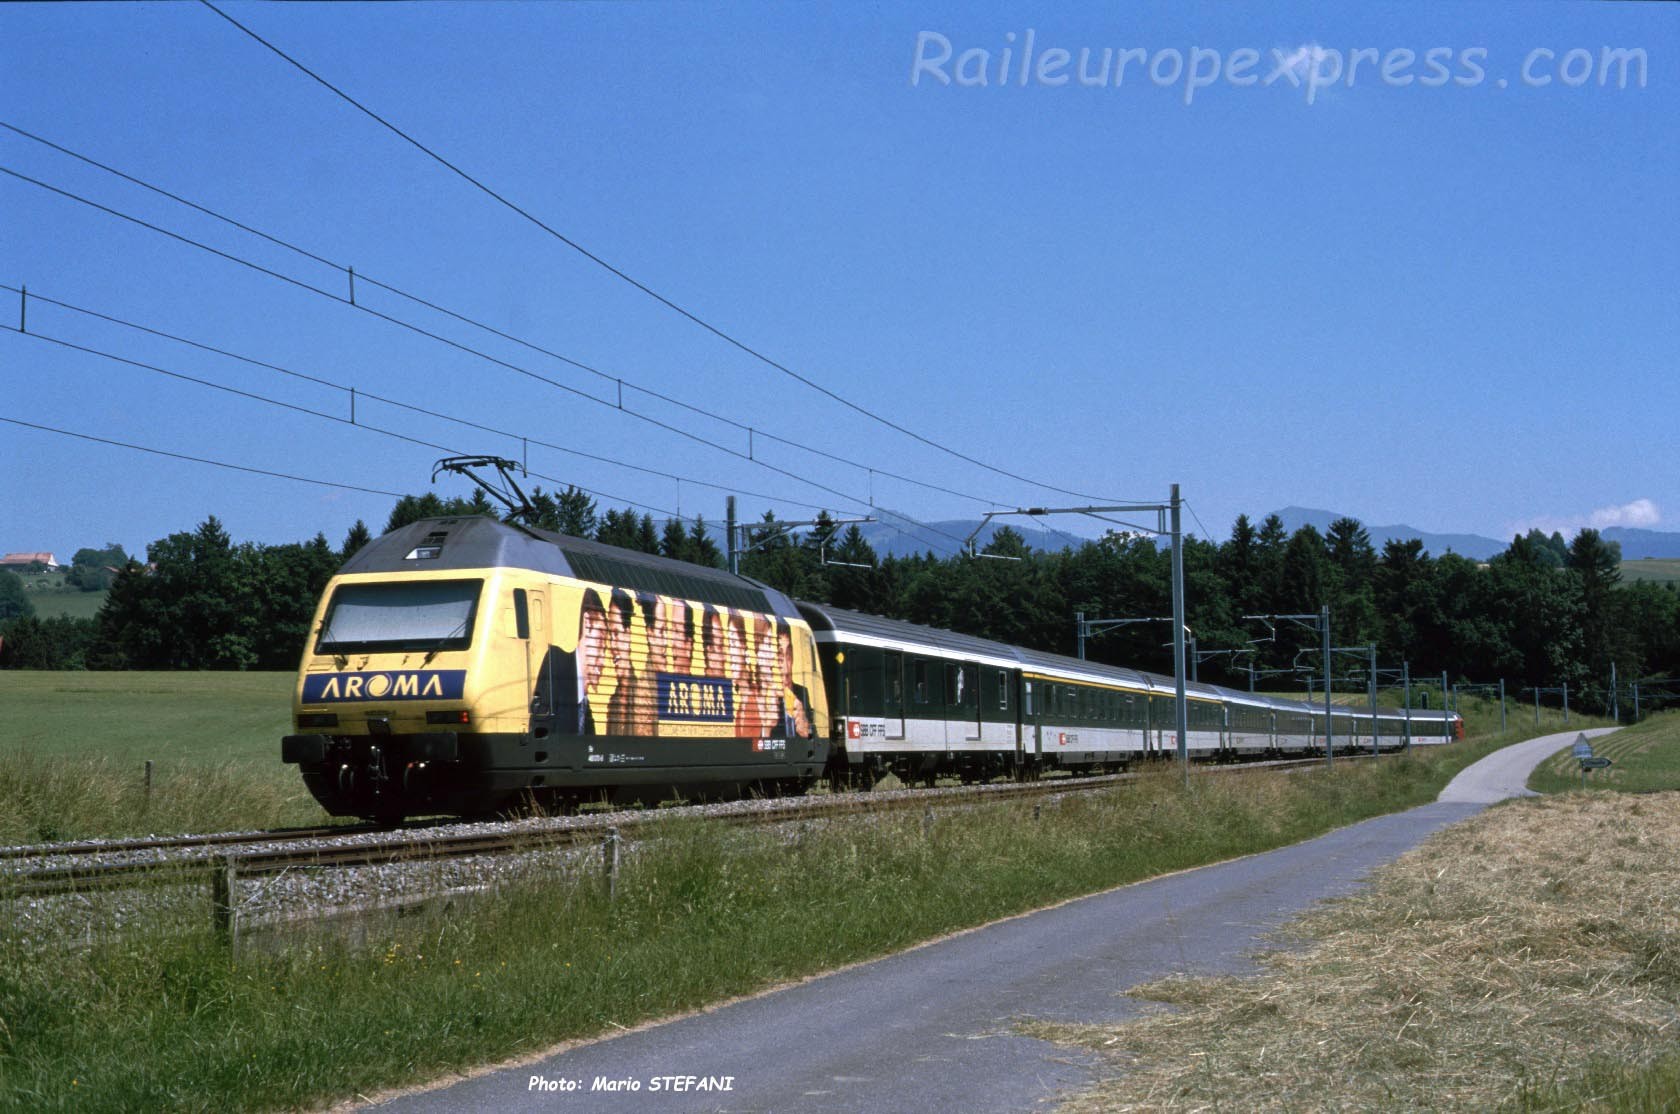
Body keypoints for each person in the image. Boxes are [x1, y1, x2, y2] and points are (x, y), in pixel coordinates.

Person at [777, 620, 813, 740]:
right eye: (780, 656)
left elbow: (816, 736)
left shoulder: (802, 693)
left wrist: (806, 731)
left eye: (788, 655)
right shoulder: (767, 701)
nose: (786, 668)